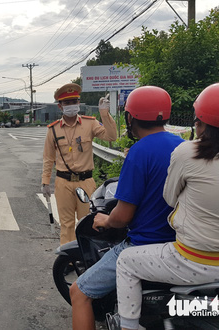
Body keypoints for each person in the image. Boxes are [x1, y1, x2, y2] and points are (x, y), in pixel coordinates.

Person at [115, 83, 219, 330]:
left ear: (199, 119)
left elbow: (170, 199)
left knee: (126, 261)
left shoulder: (187, 151)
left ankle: (128, 325)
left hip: (196, 263)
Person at [68, 86, 183, 329]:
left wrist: (104, 220)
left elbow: (122, 216)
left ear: (130, 118)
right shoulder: (182, 146)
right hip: (180, 245)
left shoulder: (140, 151)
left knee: (79, 292)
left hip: (144, 245)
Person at [42, 83, 117, 245]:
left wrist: (104, 114)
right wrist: (45, 182)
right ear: (60, 107)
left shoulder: (90, 124)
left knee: (87, 222)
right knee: (66, 224)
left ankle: (86, 257)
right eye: (67, 103)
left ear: (79, 103)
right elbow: (48, 157)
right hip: (63, 183)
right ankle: (68, 259)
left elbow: (111, 137)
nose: (71, 106)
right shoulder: (53, 130)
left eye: (74, 102)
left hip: (86, 182)